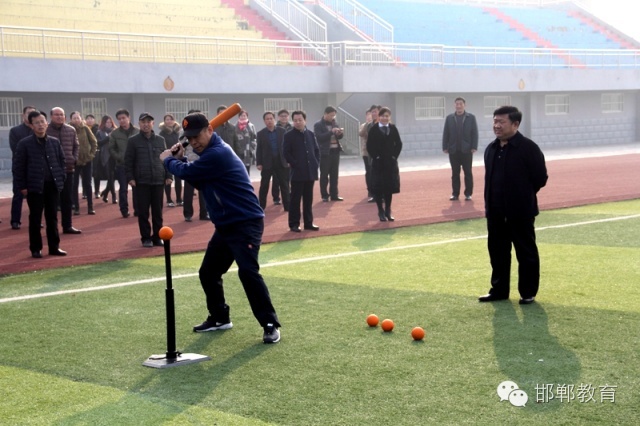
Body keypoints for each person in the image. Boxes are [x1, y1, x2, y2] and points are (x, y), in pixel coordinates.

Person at [160, 112, 281, 344]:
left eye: (197, 136)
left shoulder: (218, 153)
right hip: (226, 225)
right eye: (189, 138)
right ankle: (219, 317)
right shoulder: (208, 155)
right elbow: (197, 178)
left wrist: (168, 160)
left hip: (246, 222)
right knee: (208, 272)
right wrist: (181, 160)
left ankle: (270, 324)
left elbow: (188, 173)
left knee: (248, 272)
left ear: (210, 130)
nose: (194, 141)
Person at [479, 106, 548, 305]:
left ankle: (527, 293)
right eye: (495, 121)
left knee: (525, 253)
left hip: (520, 212)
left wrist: (522, 196)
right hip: (495, 212)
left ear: (515, 124)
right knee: (497, 252)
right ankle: (499, 290)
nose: (496, 126)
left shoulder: (528, 148)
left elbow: (540, 178)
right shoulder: (491, 149)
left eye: (501, 122)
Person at [13, 111, 67, 258]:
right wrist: (23, 187)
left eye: (42, 121)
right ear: (31, 125)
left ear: (47, 123)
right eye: (37, 122)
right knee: (35, 219)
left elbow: (62, 162)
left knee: (52, 217)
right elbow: (18, 168)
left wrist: (61, 178)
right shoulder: (24, 144)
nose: (40, 125)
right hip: (34, 187)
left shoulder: (54, 142)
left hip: (52, 185)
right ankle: (36, 249)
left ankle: (54, 247)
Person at [124, 113, 171, 248]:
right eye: (143, 122)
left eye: (148, 121)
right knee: (143, 212)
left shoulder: (160, 140)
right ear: (139, 124)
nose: (146, 124)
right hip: (141, 181)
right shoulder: (133, 141)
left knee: (158, 212)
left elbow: (166, 159)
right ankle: (146, 238)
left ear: (153, 123)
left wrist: (168, 176)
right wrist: (130, 178)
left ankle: (157, 237)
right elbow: (128, 161)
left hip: (157, 180)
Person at [283, 110, 320, 232]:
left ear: (305, 120)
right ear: (292, 121)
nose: (298, 122)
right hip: (297, 173)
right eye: (295, 120)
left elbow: (316, 150)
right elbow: (286, 153)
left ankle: (308, 223)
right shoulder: (288, 135)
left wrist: (316, 163)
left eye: (300, 120)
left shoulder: (310, 134)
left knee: (308, 199)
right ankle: (294, 224)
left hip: (310, 172)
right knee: (295, 199)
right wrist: (295, 164)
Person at [47, 107, 82, 235]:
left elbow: (76, 146)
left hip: (68, 169)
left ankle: (67, 226)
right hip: (51, 172)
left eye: (61, 115)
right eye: (56, 115)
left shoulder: (71, 130)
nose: (59, 117)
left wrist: (74, 159)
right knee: (52, 201)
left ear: (65, 117)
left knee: (67, 199)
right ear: (51, 116)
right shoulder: (46, 130)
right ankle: (52, 228)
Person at [367, 107, 402, 222]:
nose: (384, 118)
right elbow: (369, 146)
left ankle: (388, 210)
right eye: (382, 116)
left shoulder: (393, 128)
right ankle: (380, 211)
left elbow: (399, 144)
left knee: (388, 188)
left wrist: (394, 156)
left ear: (389, 117)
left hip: (390, 164)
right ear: (379, 117)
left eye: (386, 116)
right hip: (378, 164)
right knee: (378, 188)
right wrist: (375, 156)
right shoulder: (374, 129)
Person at [442, 97, 479, 201]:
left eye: (460, 104)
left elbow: (474, 133)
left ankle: (468, 194)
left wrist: (474, 146)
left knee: (468, 172)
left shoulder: (471, 117)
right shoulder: (449, 118)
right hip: (453, 151)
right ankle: (455, 194)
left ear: (464, 105)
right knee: (455, 173)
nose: (458, 106)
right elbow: (446, 133)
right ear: (454, 105)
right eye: (457, 104)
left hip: (467, 150)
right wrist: (445, 146)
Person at [9, 105, 36, 230]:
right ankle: (15, 220)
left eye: (33, 113)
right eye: (28, 113)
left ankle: (36, 220)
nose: (30, 116)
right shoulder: (15, 131)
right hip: (20, 167)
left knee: (35, 196)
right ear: (23, 115)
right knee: (18, 194)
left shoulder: (38, 129)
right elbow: (15, 149)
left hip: (35, 167)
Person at [256, 111, 290, 212]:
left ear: (274, 119)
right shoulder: (261, 134)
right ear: (264, 121)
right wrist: (259, 163)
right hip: (267, 162)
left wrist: (288, 159)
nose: (269, 121)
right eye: (267, 119)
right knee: (264, 185)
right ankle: (261, 206)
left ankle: (287, 206)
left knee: (284, 185)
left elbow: (287, 147)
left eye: (271, 118)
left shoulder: (282, 131)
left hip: (281, 161)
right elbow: (259, 149)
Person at [109, 108, 139, 218]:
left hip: (136, 165)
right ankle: (124, 209)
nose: (122, 120)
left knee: (137, 188)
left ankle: (138, 209)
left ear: (129, 118)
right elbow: (111, 148)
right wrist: (119, 157)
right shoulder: (115, 133)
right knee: (123, 189)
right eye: (119, 119)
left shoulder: (137, 131)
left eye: (124, 118)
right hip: (121, 165)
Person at [69, 111, 98, 215]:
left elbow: (94, 142)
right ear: (71, 119)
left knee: (88, 184)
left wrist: (91, 155)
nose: (76, 120)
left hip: (87, 160)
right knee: (74, 185)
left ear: (81, 119)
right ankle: (76, 207)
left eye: (78, 118)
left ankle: (90, 207)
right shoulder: (68, 129)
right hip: (74, 162)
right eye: (74, 118)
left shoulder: (85, 128)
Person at [314, 106, 344, 202]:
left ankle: (334, 195)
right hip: (325, 153)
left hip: (335, 151)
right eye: (331, 115)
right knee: (324, 175)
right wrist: (331, 132)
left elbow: (339, 137)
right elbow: (319, 137)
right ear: (325, 114)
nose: (333, 117)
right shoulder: (318, 124)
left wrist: (340, 133)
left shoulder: (335, 123)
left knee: (334, 175)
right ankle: (324, 195)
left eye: (334, 115)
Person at [159, 114, 183, 207]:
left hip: (177, 157)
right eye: (167, 119)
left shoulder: (178, 132)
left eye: (170, 119)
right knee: (168, 179)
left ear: (174, 121)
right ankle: (169, 199)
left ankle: (179, 199)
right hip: (168, 157)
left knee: (178, 179)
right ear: (164, 121)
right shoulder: (162, 134)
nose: (169, 121)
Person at [273, 109, 293, 205]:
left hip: (289, 156)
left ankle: (288, 196)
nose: (284, 117)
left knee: (289, 177)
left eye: (285, 116)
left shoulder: (292, 127)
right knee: (276, 179)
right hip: (277, 157)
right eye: (282, 116)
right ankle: (276, 197)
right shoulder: (274, 127)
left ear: (288, 117)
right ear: (278, 117)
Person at [96, 115, 117, 204]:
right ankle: (114, 196)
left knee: (113, 177)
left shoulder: (116, 131)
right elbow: (98, 143)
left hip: (115, 156)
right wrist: (108, 137)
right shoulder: (99, 132)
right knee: (110, 176)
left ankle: (105, 194)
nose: (108, 124)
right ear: (103, 123)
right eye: (106, 122)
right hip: (105, 156)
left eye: (110, 122)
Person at [358, 106, 375, 202]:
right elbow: (361, 133)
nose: (370, 116)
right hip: (366, 152)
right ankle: (370, 190)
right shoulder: (364, 125)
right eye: (368, 115)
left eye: (371, 114)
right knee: (369, 171)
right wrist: (367, 125)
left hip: (374, 152)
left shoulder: (376, 124)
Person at [235, 109, 257, 175]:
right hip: (239, 152)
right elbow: (234, 140)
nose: (243, 117)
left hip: (248, 152)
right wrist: (238, 150)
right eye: (241, 115)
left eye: (244, 115)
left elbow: (254, 138)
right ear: (239, 117)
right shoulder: (235, 126)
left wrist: (251, 149)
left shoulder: (251, 126)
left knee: (247, 171)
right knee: (239, 170)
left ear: (247, 116)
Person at [86, 114, 101, 199]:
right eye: (88, 119)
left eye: (91, 119)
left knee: (96, 173)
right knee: (85, 174)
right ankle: (85, 192)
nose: (90, 120)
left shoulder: (98, 129)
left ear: (94, 120)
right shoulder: (83, 128)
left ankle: (97, 191)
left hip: (96, 153)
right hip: (85, 154)